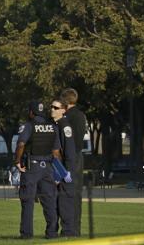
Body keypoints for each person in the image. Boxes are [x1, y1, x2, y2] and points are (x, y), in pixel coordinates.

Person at [14, 101, 60, 239]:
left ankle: (27, 234)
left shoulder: (28, 126)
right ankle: (52, 232)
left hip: (32, 166)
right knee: (49, 201)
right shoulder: (53, 127)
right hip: (48, 167)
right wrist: (57, 170)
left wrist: (17, 161)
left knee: (28, 200)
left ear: (31, 112)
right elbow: (56, 151)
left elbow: (21, 143)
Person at [59, 88, 86, 236]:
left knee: (66, 193)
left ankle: (68, 228)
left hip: (69, 156)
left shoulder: (66, 118)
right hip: (79, 156)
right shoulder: (81, 115)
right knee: (76, 193)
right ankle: (76, 228)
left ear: (65, 101)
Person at [50, 98, 79, 237]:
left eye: (55, 108)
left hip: (65, 170)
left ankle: (68, 231)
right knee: (56, 201)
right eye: (51, 107)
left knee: (65, 202)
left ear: (63, 110)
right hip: (57, 168)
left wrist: (67, 171)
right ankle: (56, 231)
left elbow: (69, 151)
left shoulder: (64, 126)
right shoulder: (55, 125)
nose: (52, 109)